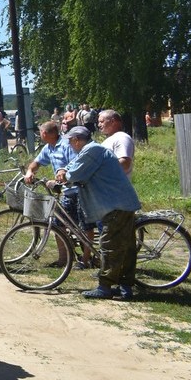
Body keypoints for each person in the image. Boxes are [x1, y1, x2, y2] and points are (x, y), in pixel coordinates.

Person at [56, 126, 141, 300]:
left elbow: (76, 173)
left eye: (70, 141)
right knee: (125, 248)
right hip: (118, 203)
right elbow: (72, 166)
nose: (70, 145)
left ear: (77, 140)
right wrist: (63, 170)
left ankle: (105, 287)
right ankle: (125, 287)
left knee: (109, 246)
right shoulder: (91, 150)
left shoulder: (92, 150)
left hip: (115, 204)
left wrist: (63, 177)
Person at [23, 121, 90, 266]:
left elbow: (75, 165)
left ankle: (87, 258)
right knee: (58, 224)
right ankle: (64, 259)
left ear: (45, 133)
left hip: (77, 190)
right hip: (66, 191)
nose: (39, 134)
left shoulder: (66, 145)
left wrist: (59, 177)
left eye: (40, 132)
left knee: (83, 226)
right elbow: (37, 162)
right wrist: (30, 171)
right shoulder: (49, 147)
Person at [97, 110, 134, 176]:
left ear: (113, 121)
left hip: (115, 186)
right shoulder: (111, 139)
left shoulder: (122, 137)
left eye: (101, 122)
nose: (99, 125)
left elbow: (125, 163)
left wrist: (97, 172)